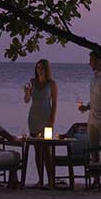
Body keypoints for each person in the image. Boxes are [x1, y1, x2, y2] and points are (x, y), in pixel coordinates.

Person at [23, 59, 58, 187]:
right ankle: (40, 180)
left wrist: (52, 120)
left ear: (46, 69)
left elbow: (54, 103)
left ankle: (51, 180)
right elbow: (27, 100)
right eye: (38, 67)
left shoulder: (52, 84)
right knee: (37, 150)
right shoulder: (32, 82)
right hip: (33, 118)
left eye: (42, 68)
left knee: (47, 151)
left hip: (46, 118)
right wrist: (26, 93)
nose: (39, 70)